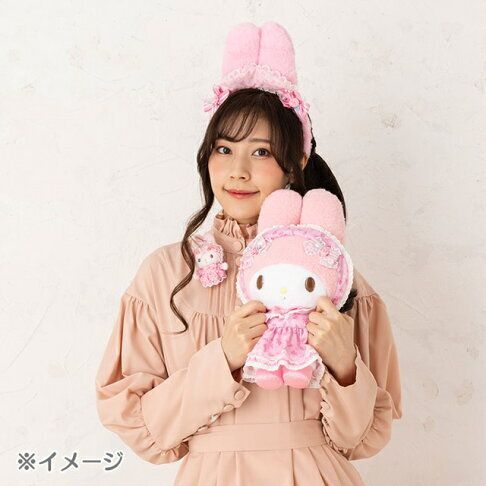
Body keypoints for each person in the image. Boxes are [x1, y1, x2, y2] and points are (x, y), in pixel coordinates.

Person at [94, 21, 402, 485]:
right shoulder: (165, 274)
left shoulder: (334, 276)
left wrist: (344, 367)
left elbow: (362, 440)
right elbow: (142, 427)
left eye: (260, 153)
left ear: (296, 163)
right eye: (223, 149)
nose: (237, 171)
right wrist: (223, 359)